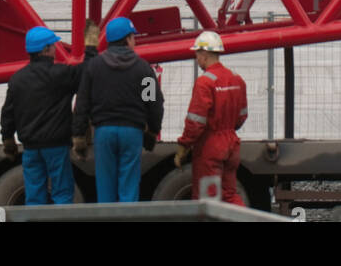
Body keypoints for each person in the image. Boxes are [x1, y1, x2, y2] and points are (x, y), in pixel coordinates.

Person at [0, 21, 98, 206]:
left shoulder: (17, 80)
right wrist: (91, 46)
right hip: (56, 147)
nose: (55, 48)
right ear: (46, 49)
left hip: (30, 148)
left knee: (34, 196)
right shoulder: (60, 74)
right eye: (53, 45)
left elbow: (8, 114)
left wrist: (8, 141)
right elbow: (88, 71)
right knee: (62, 193)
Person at [71, 16, 163, 203]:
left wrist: (79, 135)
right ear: (128, 39)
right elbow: (154, 103)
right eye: (133, 37)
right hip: (132, 132)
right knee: (129, 186)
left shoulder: (94, 67)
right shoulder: (143, 69)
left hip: (104, 132)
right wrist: (153, 131)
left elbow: (82, 102)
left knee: (105, 186)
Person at [174, 30, 248, 205]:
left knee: (206, 198)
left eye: (197, 54)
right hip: (231, 143)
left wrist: (184, 146)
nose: (196, 58)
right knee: (229, 195)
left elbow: (195, 122)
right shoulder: (237, 79)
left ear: (204, 54)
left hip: (210, 146)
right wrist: (227, 128)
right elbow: (242, 116)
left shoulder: (205, 82)